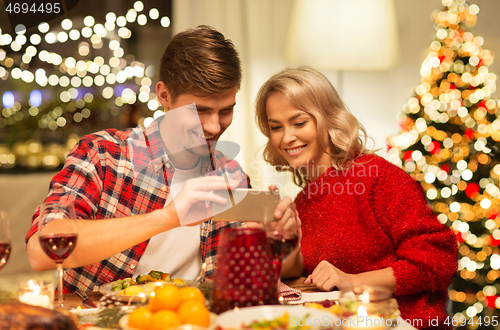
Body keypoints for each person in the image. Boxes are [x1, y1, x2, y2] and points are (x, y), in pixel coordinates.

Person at [25, 25, 295, 293]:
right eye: (200, 110)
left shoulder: (231, 175)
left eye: (226, 110)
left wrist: (279, 239)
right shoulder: (102, 154)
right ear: (164, 95)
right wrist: (168, 217)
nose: (214, 126)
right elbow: (41, 250)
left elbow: (255, 278)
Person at [255, 66, 458, 329]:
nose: (287, 137)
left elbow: (438, 259)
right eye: (276, 127)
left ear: (326, 117)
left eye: (299, 122)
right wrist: (284, 241)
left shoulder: (376, 177)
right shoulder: (304, 200)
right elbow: (303, 274)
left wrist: (354, 281)